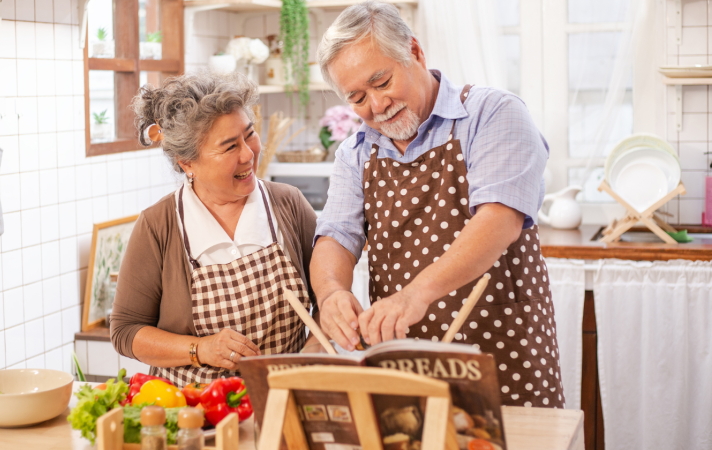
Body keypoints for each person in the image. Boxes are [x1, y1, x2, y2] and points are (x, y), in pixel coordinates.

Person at [310, 1, 564, 408]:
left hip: (500, 352)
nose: (375, 106)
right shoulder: (354, 153)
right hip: (403, 365)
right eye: (356, 97)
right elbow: (335, 237)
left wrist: (414, 296)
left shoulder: (492, 114)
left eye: (381, 82)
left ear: (414, 51)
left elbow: (498, 220)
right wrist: (330, 293)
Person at [110, 72, 319, 387]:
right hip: (192, 412)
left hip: (281, 402)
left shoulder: (287, 204)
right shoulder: (159, 226)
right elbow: (125, 331)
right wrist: (200, 348)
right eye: (229, 146)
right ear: (187, 163)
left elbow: (328, 299)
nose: (248, 154)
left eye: (249, 135)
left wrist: (311, 357)